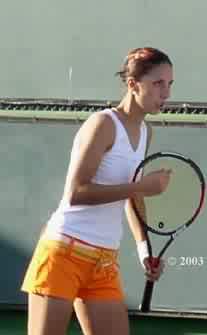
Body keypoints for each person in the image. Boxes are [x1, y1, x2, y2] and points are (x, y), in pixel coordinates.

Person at [21, 47, 174, 335]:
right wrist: (139, 186)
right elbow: (77, 192)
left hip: (104, 261)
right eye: (158, 83)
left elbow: (133, 198)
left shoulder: (146, 132)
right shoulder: (103, 124)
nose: (166, 93)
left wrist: (145, 250)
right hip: (62, 253)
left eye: (169, 84)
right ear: (132, 84)